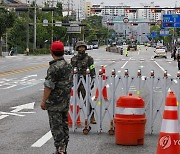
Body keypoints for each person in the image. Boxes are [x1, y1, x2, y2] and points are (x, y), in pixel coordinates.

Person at [40, 41, 72, 154]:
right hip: (65, 101)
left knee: (56, 127)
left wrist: (43, 101)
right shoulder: (68, 65)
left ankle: (60, 149)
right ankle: (64, 148)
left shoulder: (53, 68)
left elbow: (49, 86)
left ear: (51, 52)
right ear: (63, 52)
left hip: (54, 103)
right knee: (64, 125)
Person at [71, 41, 96, 124]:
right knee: (73, 101)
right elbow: (71, 70)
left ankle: (92, 116)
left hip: (85, 82)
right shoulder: (73, 59)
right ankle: (73, 117)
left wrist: (92, 80)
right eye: (80, 47)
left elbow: (92, 69)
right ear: (77, 48)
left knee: (87, 100)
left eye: (83, 47)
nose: (81, 49)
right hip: (76, 81)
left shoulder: (89, 59)